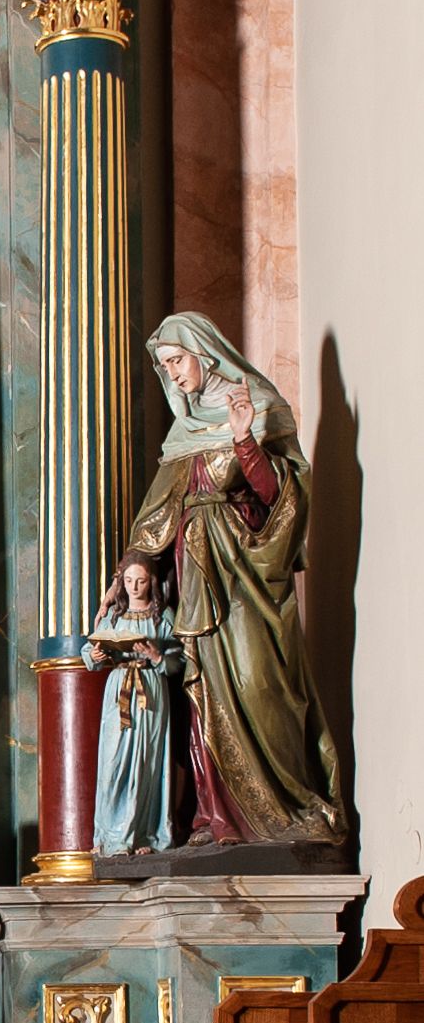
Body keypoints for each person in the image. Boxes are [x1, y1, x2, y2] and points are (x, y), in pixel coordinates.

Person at [127, 312, 344, 848]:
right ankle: (215, 818)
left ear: (203, 352)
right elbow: (159, 511)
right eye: (165, 366)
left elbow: (281, 498)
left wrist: (245, 439)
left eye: (177, 360)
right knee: (202, 691)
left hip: (249, 578)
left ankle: (286, 807)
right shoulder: (183, 432)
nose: (173, 373)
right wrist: (136, 563)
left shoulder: (258, 407)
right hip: (196, 583)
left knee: (260, 684)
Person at [83, 552, 182, 856]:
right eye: (128, 581)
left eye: (140, 581)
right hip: (119, 690)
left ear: (151, 582)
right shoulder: (113, 615)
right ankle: (109, 835)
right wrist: (95, 655)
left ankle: (144, 835)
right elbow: (89, 651)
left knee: (146, 762)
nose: (134, 587)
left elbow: (179, 662)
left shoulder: (163, 617)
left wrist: (156, 656)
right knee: (113, 763)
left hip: (150, 691)